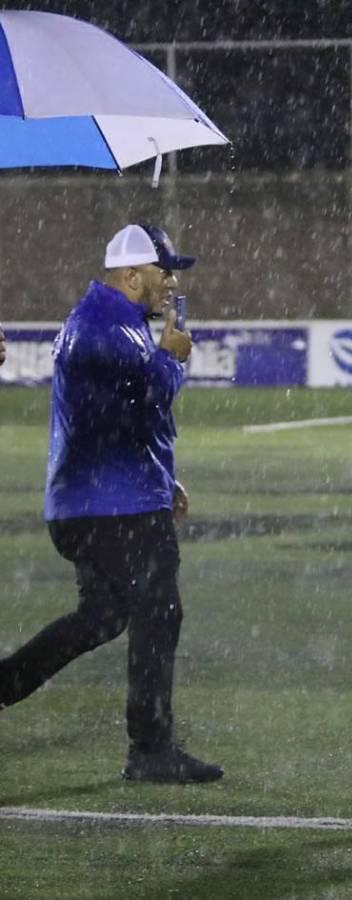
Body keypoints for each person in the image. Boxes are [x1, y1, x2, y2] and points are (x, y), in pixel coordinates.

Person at [0, 223, 222, 784]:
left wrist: (160, 479)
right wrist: (172, 358)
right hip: (110, 508)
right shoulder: (103, 327)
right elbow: (142, 403)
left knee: (102, 617)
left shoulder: (111, 322)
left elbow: (121, 417)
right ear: (130, 276)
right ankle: (150, 749)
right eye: (163, 271)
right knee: (159, 611)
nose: (171, 282)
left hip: (102, 502)